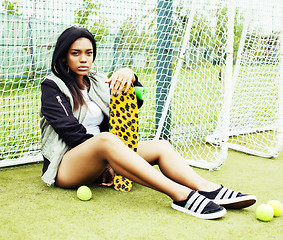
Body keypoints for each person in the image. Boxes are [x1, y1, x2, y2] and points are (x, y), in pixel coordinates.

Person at [40, 26, 256, 220]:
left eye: (89, 53)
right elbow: (69, 131)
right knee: (106, 140)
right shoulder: (52, 86)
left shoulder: (97, 81)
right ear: (63, 57)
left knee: (160, 146)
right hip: (67, 167)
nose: (84, 59)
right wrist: (108, 160)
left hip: (104, 154)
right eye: (75, 53)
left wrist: (132, 76)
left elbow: (135, 102)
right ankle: (181, 195)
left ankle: (207, 188)